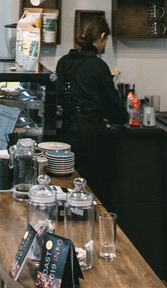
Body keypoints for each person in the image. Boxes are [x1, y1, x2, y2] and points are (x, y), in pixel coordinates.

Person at [55, 14, 127, 208]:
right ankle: (99, 224)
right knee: (97, 191)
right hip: (90, 136)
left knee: (68, 186)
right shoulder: (98, 66)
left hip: (65, 134)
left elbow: (58, 96)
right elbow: (114, 108)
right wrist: (122, 116)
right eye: (106, 40)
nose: (105, 45)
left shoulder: (63, 62)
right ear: (102, 36)